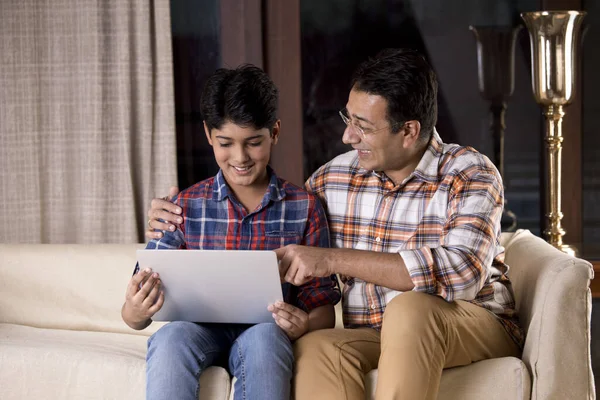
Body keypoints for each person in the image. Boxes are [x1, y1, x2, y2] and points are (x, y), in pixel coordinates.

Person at [147, 49, 522, 400]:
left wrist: (332, 260)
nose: (347, 136)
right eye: (348, 119)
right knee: (317, 346)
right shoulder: (332, 179)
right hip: (373, 333)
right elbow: (279, 213)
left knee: (411, 309)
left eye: (362, 126)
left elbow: (463, 274)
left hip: (470, 323)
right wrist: (166, 218)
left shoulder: (468, 173)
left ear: (408, 131)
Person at [124, 64, 341, 400]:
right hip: (195, 330)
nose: (240, 157)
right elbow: (134, 314)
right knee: (170, 339)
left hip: (264, 331)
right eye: (225, 143)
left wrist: (305, 324)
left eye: (254, 143)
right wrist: (136, 312)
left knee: (267, 341)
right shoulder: (183, 206)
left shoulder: (304, 207)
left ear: (275, 133)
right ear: (209, 135)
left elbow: (323, 308)